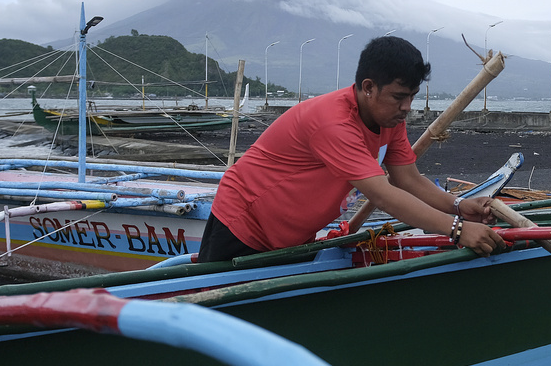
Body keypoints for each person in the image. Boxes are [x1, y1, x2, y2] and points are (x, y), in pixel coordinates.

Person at [198, 36, 507, 262]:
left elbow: (407, 180)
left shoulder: (389, 120)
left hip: (293, 236)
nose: (406, 107)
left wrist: (456, 206)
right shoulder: (333, 123)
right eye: (399, 96)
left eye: (412, 96)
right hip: (242, 225)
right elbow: (382, 194)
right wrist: (456, 230)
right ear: (368, 87)